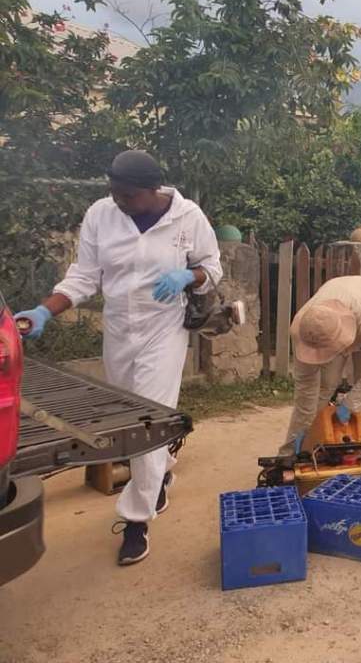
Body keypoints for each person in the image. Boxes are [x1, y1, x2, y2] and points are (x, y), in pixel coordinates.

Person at [15, 149, 222, 566]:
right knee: (126, 422)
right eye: (113, 193)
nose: (119, 202)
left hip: (163, 328)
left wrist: (189, 274)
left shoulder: (188, 217)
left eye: (127, 196)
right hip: (119, 330)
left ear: (152, 190)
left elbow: (212, 268)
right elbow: (85, 276)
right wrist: (44, 310)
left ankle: (135, 521)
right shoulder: (101, 214)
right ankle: (160, 471)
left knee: (145, 421)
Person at [281, 275, 361, 460]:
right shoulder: (305, 330)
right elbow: (305, 393)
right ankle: (303, 446)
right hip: (337, 311)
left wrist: (349, 405)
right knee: (326, 385)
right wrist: (295, 442)